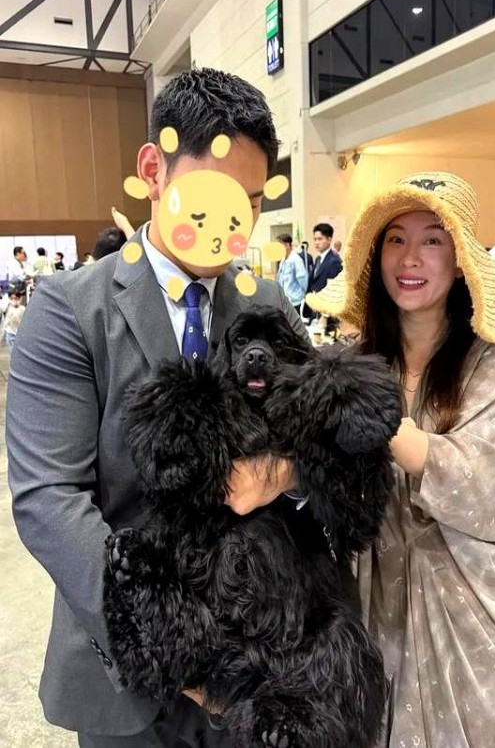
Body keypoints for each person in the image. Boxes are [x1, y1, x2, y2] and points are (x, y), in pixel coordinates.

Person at [7, 67, 309, 748]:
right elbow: (50, 499)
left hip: (255, 658)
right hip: (124, 667)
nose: (233, 227)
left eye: (250, 205)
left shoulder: (266, 305)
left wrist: (282, 472)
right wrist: (174, 644)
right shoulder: (69, 311)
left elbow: (316, 430)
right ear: (154, 170)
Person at [306, 172, 495, 748]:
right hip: (371, 596)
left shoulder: (490, 361)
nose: (410, 258)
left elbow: (481, 480)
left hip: (461, 600)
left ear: (461, 260)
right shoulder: (360, 355)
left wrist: (367, 410)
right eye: (396, 238)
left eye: (433, 240)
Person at [304, 223, 342, 321]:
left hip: (325, 315)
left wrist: (325, 316)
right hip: (314, 310)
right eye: (315, 239)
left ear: (329, 239)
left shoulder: (334, 261)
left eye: (320, 239)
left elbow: (334, 291)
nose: (316, 242)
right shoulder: (318, 259)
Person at [275, 233, 308, 313]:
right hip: (285, 301)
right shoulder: (283, 260)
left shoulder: (296, 260)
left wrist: (300, 296)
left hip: (295, 302)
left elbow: (303, 281)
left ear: (287, 245)